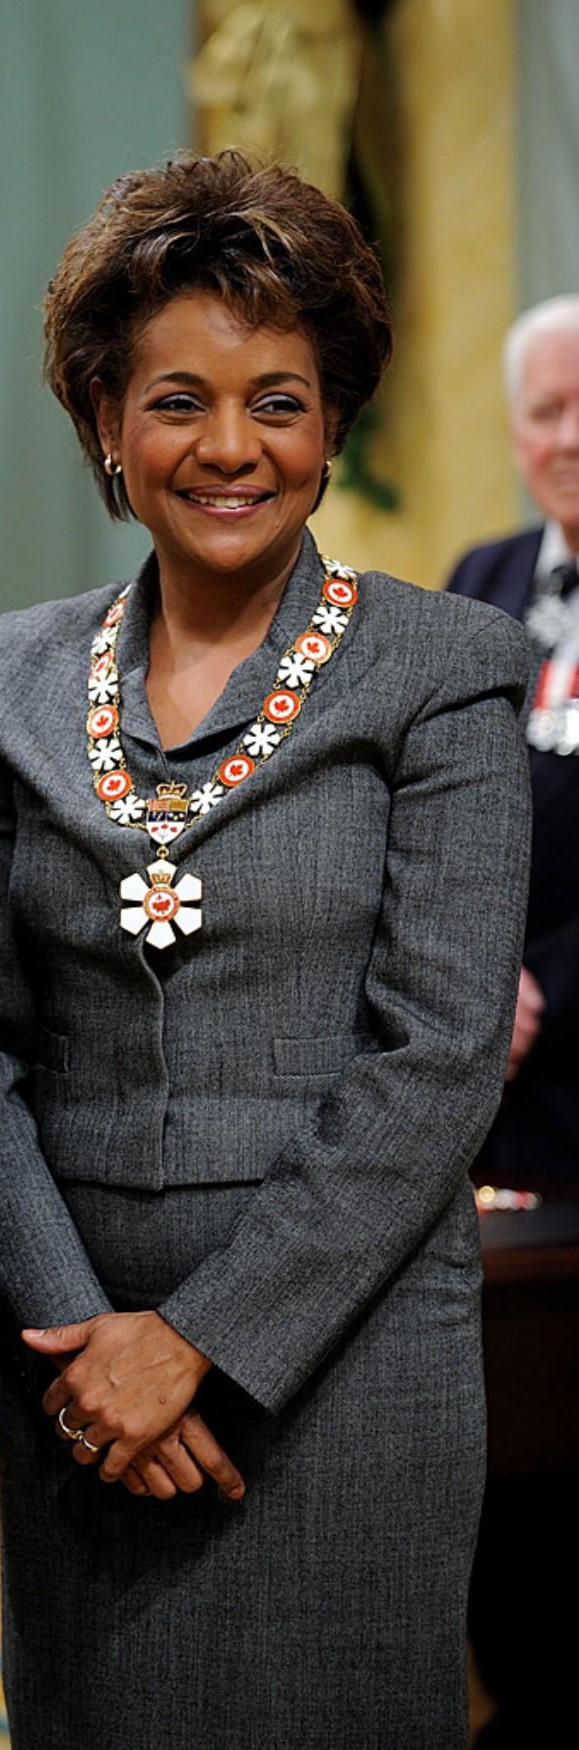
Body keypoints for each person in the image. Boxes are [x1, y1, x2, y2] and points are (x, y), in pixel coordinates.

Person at [0, 150, 531, 1749]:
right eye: (178, 400)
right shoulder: (4, 677)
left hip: (339, 1367)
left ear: (334, 420)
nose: (228, 448)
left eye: (278, 400)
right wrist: (80, 1342)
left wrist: (204, 1344)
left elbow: (435, 1058)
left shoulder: (447, 668)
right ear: (103, 421)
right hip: (82, 1381)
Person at [445, 293, 579, 1749]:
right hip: (489, 1106)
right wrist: (471, 965)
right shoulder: (481, 581)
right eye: (546, 409)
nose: (570, 435)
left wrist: (544, 983)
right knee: (503, 1459)